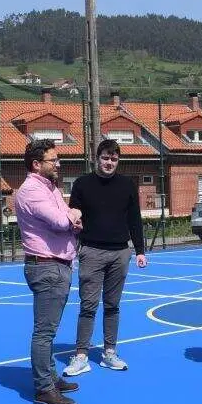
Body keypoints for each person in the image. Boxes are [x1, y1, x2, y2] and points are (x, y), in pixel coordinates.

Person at [64, 139, 148, 376]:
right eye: (105, 158)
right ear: (97, 158)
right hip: (91, 252)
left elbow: (135, 219)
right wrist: (71, 248)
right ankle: (81, 355)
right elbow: (73, 216)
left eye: (114, 159)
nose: (109, 162)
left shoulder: (127, 185)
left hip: (120, 253)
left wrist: (140, 250)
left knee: (113, 305)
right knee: (88, 305)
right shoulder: (82, 184)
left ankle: (110, 352)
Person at [15, 139, 83, 404]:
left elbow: (68, 218)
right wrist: (74, 213)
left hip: (58, 265)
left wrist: (71, 217)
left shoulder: (50, 187)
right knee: (44, 332)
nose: (58, 164)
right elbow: (60, 220)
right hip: (46, 266)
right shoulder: (31, 190)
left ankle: (51, 378)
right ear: (36, 164)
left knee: (49, 331)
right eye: (53, 160)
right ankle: (44, 389)